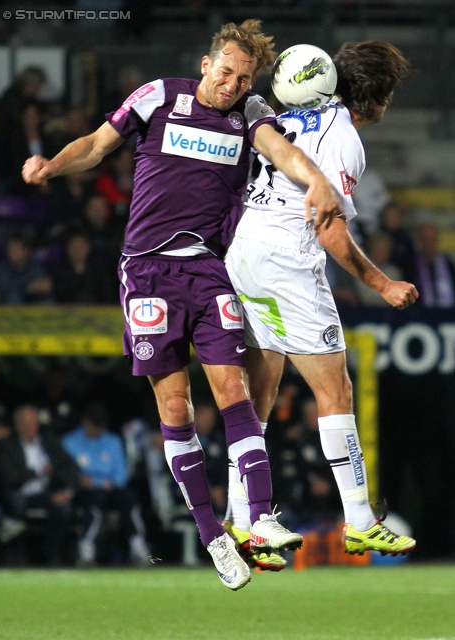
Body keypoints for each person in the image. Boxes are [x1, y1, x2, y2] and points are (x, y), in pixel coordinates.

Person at [22, 19, 342, 590]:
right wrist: (50, 164)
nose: (232, 86)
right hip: (146, 271)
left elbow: (280, 150)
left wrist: (315, 180)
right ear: (205, 64)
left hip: (207, 268)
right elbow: (97, 146)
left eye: (243, 79)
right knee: (175, 408)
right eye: (226, 73)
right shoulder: (159, 96)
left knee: (232, 390)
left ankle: (260, 517)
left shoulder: (250, 113)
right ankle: (213, 534)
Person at [225, 40, 419, 565]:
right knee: (336, 390)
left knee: (260, 388)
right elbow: (329, 227)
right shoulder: (344, 138)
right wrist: (383, 285)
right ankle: (360, 521)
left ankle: (242, 520)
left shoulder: (298, 115)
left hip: (244, 251)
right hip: (286, 261)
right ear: (376, 96)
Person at [62, 402, 152, 567]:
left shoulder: (113, 441)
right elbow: (70, 473)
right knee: (93, 503)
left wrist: (103, 482)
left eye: (100, 426)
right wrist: (85, 481)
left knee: (130, 499)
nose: (97, 430)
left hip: (111, 488)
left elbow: (121, 474)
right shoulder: (70, 442)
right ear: (85, 422)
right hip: (86, 492)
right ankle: (86, 549)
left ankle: (138, 546)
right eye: (94, 425)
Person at [0, 404, 79, 566]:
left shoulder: (49, 442)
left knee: (62, 508)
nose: (29, 426)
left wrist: (67, 491)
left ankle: (52, 556)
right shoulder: (6, 446)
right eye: (25, 422)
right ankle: (17, 555)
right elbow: (7, 477)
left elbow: (70, 467)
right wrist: (38, 472)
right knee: (16, 505)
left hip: (44, 493)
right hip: (17, 493)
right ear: (17, 425)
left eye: (33, 422)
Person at [411, 222, 455, 308]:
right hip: (420, 316)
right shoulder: (411, 265)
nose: (429, 243)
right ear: (420, 240)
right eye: (426, 239)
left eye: (432, 239)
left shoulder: (448, 264)